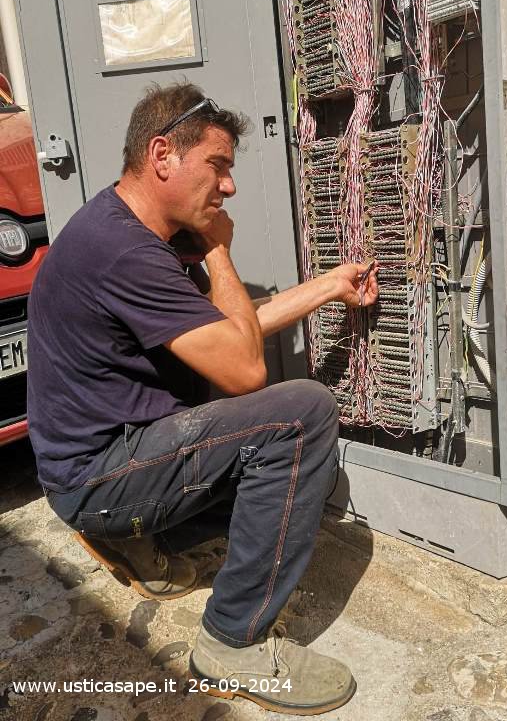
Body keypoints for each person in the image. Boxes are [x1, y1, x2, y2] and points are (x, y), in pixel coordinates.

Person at [27, 82, 379, 714]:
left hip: (103, 460)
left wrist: (329, 285)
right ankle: (231, 643)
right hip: (100, 474)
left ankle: (135, 540)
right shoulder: (123, 251)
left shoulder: (126, 229)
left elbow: (223, 338)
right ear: (163, 154)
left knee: (279, 496)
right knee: (301, 417)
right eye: (218, 166)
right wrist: (219, 250)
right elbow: (244, 369)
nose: (229, 187)